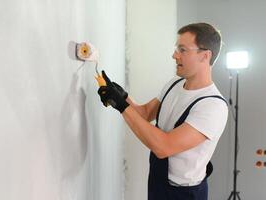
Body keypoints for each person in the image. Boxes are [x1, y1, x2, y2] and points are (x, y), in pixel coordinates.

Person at [97, 22, 228, 200]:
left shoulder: (212, 106)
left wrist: (122, 106)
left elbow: (164, 147)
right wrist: (122, 96)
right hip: (158, 182)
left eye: (182, 50)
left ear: (205, 56)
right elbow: (144, 114)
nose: (174, 55)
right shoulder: (174, 84)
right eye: (176, 48)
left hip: (184, 194)